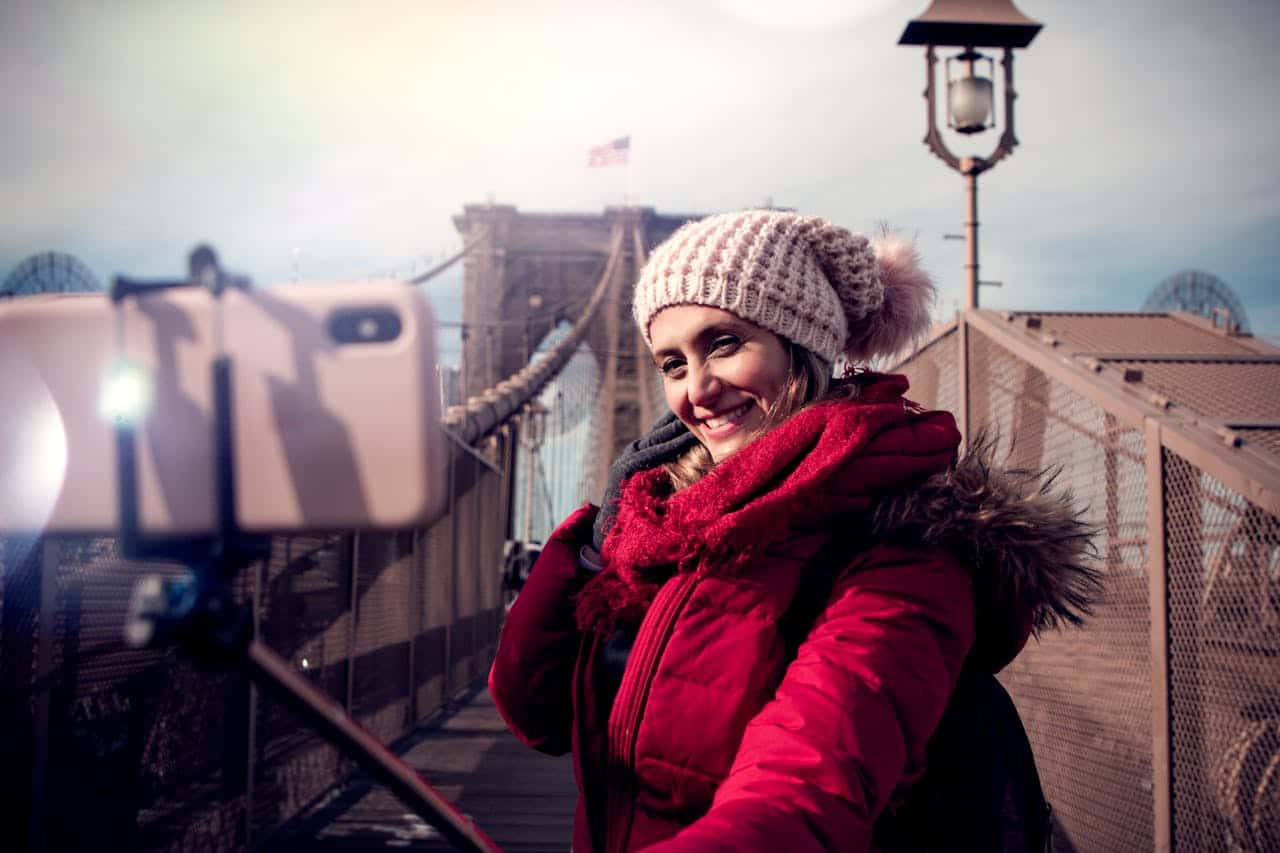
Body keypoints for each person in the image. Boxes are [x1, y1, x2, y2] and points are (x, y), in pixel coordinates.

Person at [489, 210, 1097, 852]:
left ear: (802, 346)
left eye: (724, 344)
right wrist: (596, 545)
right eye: (672, 363)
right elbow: (542, 716)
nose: (697, 389)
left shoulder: (908, 548)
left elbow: (802, 796)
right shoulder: (666, 526)